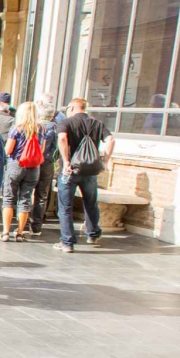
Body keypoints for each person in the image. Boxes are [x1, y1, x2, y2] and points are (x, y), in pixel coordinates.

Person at [55, 96, 115, 253]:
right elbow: (111, 140)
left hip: (70, 169)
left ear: (73, 107)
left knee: (65, 207)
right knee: (91, 203)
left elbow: (62, 138)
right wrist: (106, 160)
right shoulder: (96, 123)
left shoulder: (66, 123)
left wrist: (66, 161)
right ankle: (93, 234)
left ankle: (67, 242)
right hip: (90, 170)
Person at [0, 101, 44, 242]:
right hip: (34, 167)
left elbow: (8, 150)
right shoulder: (41, 129)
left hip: (16, 164)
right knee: (25, 198)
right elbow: (41, 150)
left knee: (8, 197)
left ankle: (5, 232)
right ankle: (19, 232)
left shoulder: (16, 129)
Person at [29, 97, 61, 236]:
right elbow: (57, 149)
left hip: (32, 162)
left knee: (26, 192)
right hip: (47, 163)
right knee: (42, 195)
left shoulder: (33, 126)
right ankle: (37, 225)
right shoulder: (56, 128)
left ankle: (23, 223)